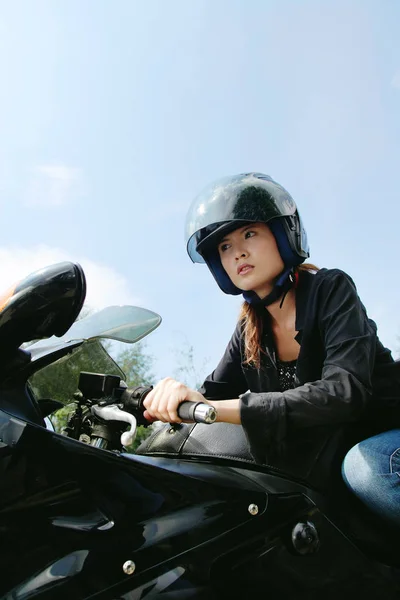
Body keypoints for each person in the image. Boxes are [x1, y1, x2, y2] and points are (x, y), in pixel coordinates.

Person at [143, 172, 397, 486]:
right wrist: (170, 400)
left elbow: (343, 392)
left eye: (249, 234)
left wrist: (218, 408)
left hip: (382, 433)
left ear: (283, 235)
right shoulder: (248, 328)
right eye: (224, 246)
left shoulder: (330, 288)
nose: (237, 252)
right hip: (326, 454)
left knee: (370, 472)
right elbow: (212, 395)